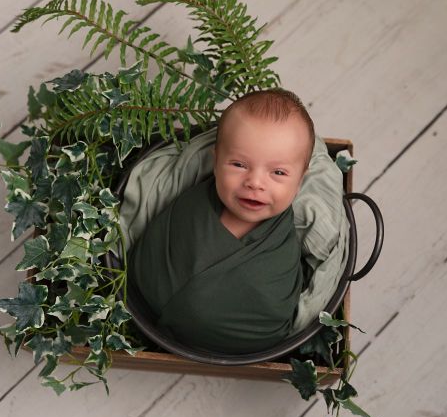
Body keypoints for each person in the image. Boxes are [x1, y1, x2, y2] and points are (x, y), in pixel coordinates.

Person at [128, 88, 316, 354]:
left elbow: (275, 307)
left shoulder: (281, 247)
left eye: (278, 172)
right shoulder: (191, 207)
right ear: (215, 161)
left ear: (300, 179)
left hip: (249, 348)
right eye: (239, 165)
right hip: (142, 315)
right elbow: (149, 259)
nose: (255, 183)